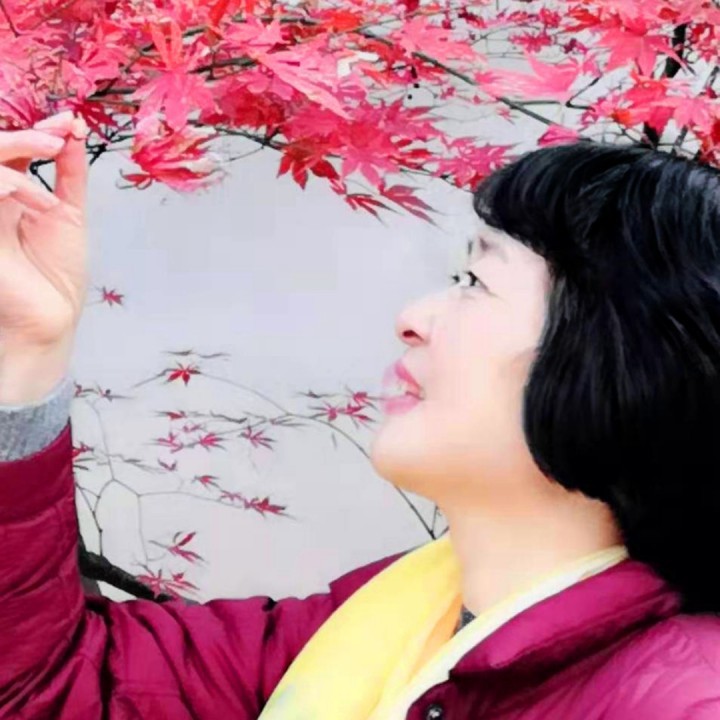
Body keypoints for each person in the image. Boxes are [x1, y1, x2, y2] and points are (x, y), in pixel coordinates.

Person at [0, 111, 719, 720]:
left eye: (475, 281)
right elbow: (58, 690)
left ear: (624, 356)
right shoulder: (384, 624)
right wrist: (29, 348)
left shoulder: (682, 701)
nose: (414, 317)